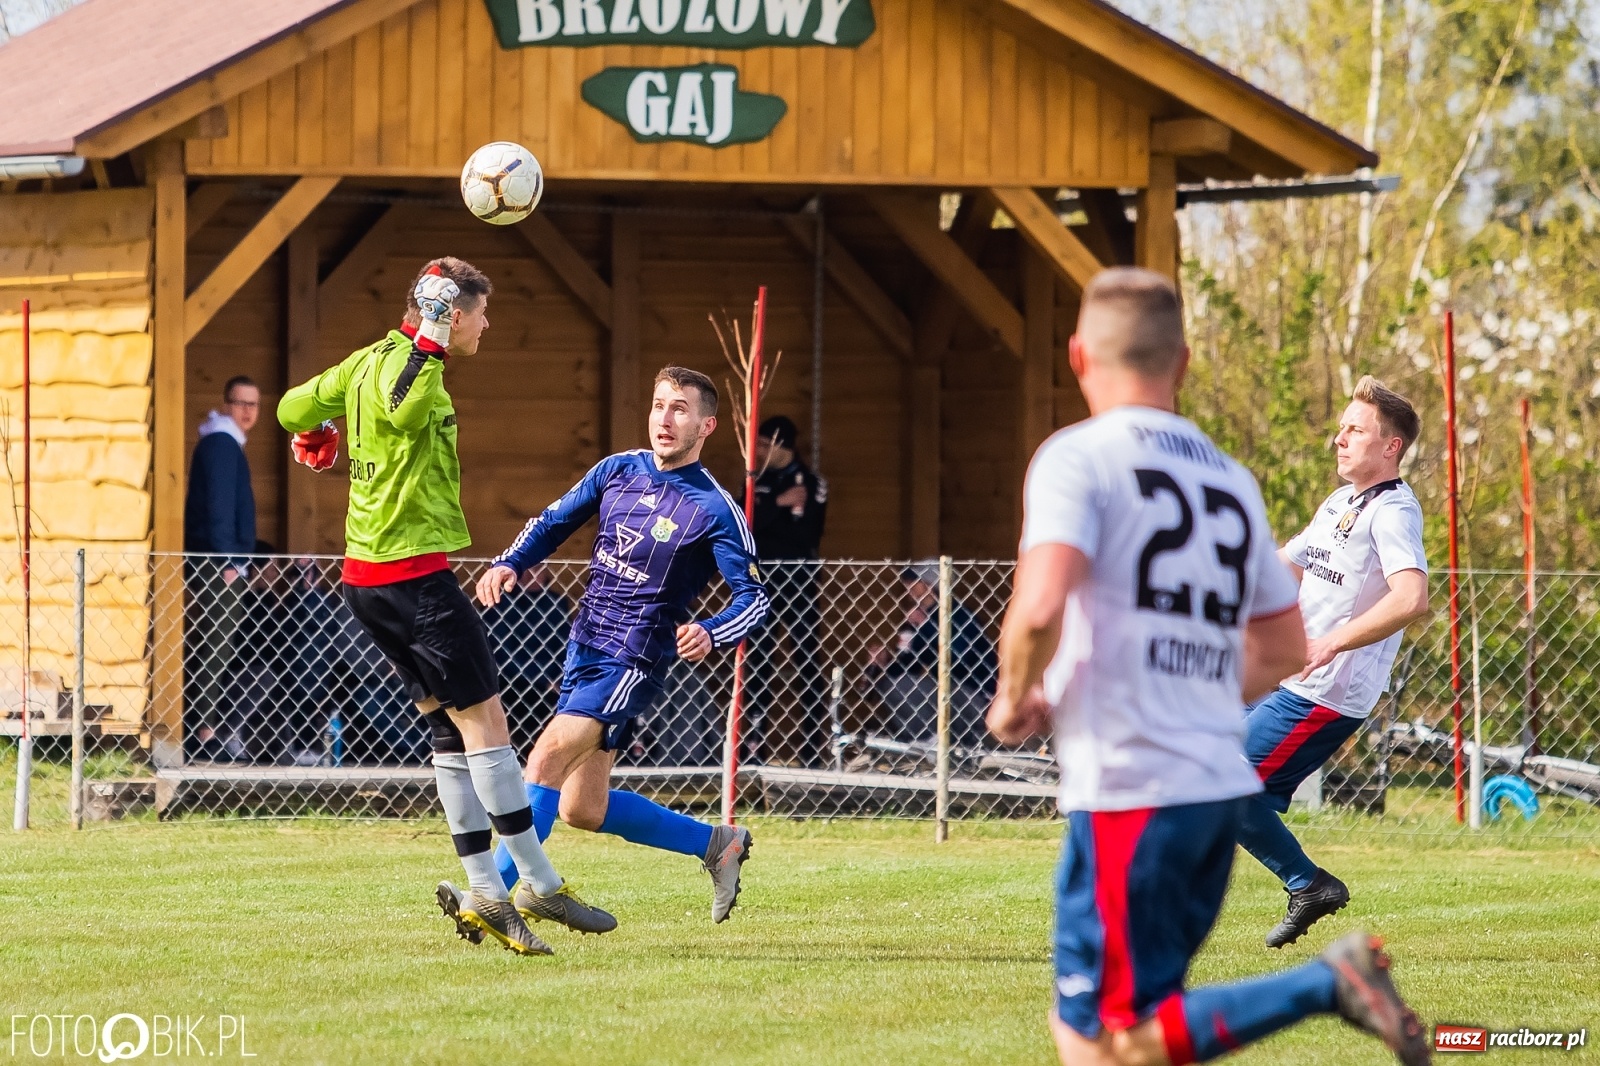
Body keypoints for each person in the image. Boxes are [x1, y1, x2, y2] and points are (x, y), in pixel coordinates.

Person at [987, 268, 1429, 1066]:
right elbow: (1282, 650)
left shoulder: (1076, 457)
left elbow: (1042, 607)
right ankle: (1324, 966)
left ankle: (1328, 983)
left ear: (1079, 355)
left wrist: (1016, 696)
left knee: (1110, 1038)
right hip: (1208, 796)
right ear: (1182, 363)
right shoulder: (1229, 481)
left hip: (1135, 792)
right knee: (1093, 1038)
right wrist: (1183, 688)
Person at [278, 257, 611, 957]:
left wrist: (320, 434)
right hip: (416, 582)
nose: (487, 326)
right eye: (480, 313)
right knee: (489, 727)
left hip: (366, 582)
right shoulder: (418, 367)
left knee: (448, 732)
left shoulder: (368, 359)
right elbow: (401, 413)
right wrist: (429, 343)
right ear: (450, 314)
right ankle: (536, 884)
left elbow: (290, 409)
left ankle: (487, 892)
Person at [475, 366, 768, 924]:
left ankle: (492, 891)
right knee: (583, 809)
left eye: (680, 408)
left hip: (634, 658)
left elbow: (754, 599)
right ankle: (717, 844)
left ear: (707, 425)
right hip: (583, 645)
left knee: (545, 758)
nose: (665, 417)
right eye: (659, 404)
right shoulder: (617, 470)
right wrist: (510, 561)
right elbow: (553, 521)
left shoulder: (714, 508)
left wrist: (711, 629)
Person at [1239, 377, 1430, 948]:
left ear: (1390, 446)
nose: (1339, 439)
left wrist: (1332, 641)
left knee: (1220, 785)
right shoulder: (1341, 502)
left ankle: (1309, 883)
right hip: (1283, 674)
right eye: (1341, 428)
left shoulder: (1393, 512)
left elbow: (1410, 598)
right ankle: (1306, 883)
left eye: (1355, 429)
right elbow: (1285, 568)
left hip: (1323, 693)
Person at [182, 376, 260, 760]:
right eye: (241, 402)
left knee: (221, 646)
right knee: (216, 646)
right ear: (227, 404)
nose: (248, 411)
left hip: (222, 560)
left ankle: (207, 728)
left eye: (253, 404)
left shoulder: (226, 443)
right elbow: (219, 507)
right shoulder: (221, 444)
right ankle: (203, 732)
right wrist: (229, 559)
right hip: (219, 564)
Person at [748, 414, 828, 764]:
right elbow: (748, 526)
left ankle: (812, 748)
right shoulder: (756, 481)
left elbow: (808, 534)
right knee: (758, 662)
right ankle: (753, 747)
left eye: (765, 445)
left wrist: (776, 515)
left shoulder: (812, 482)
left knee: (807, 659)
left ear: (783, 447)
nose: (759, 450)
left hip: (799, 580)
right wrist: (781, 505)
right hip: (762, 580)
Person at [865, 562, 996, 750]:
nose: (908, 584)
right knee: (894, 684)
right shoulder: (919, 617)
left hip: (976, 698)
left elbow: (960, 659)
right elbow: (909, 667)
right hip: (948, 697)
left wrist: (926, 627)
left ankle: (930, 744)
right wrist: (882, 664)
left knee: (903, 687)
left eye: (914, 580)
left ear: (930, 583)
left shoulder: (958, 614)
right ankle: (924, 745)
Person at [483, 564, 572, 757]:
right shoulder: (501, 603)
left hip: (549, 678)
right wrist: (542, 679)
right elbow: (502, 650)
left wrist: (557, 677)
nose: (533, 575)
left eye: (539, 569)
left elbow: (563, 645)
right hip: (512, 679)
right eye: (528, 570)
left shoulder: (556, 603)